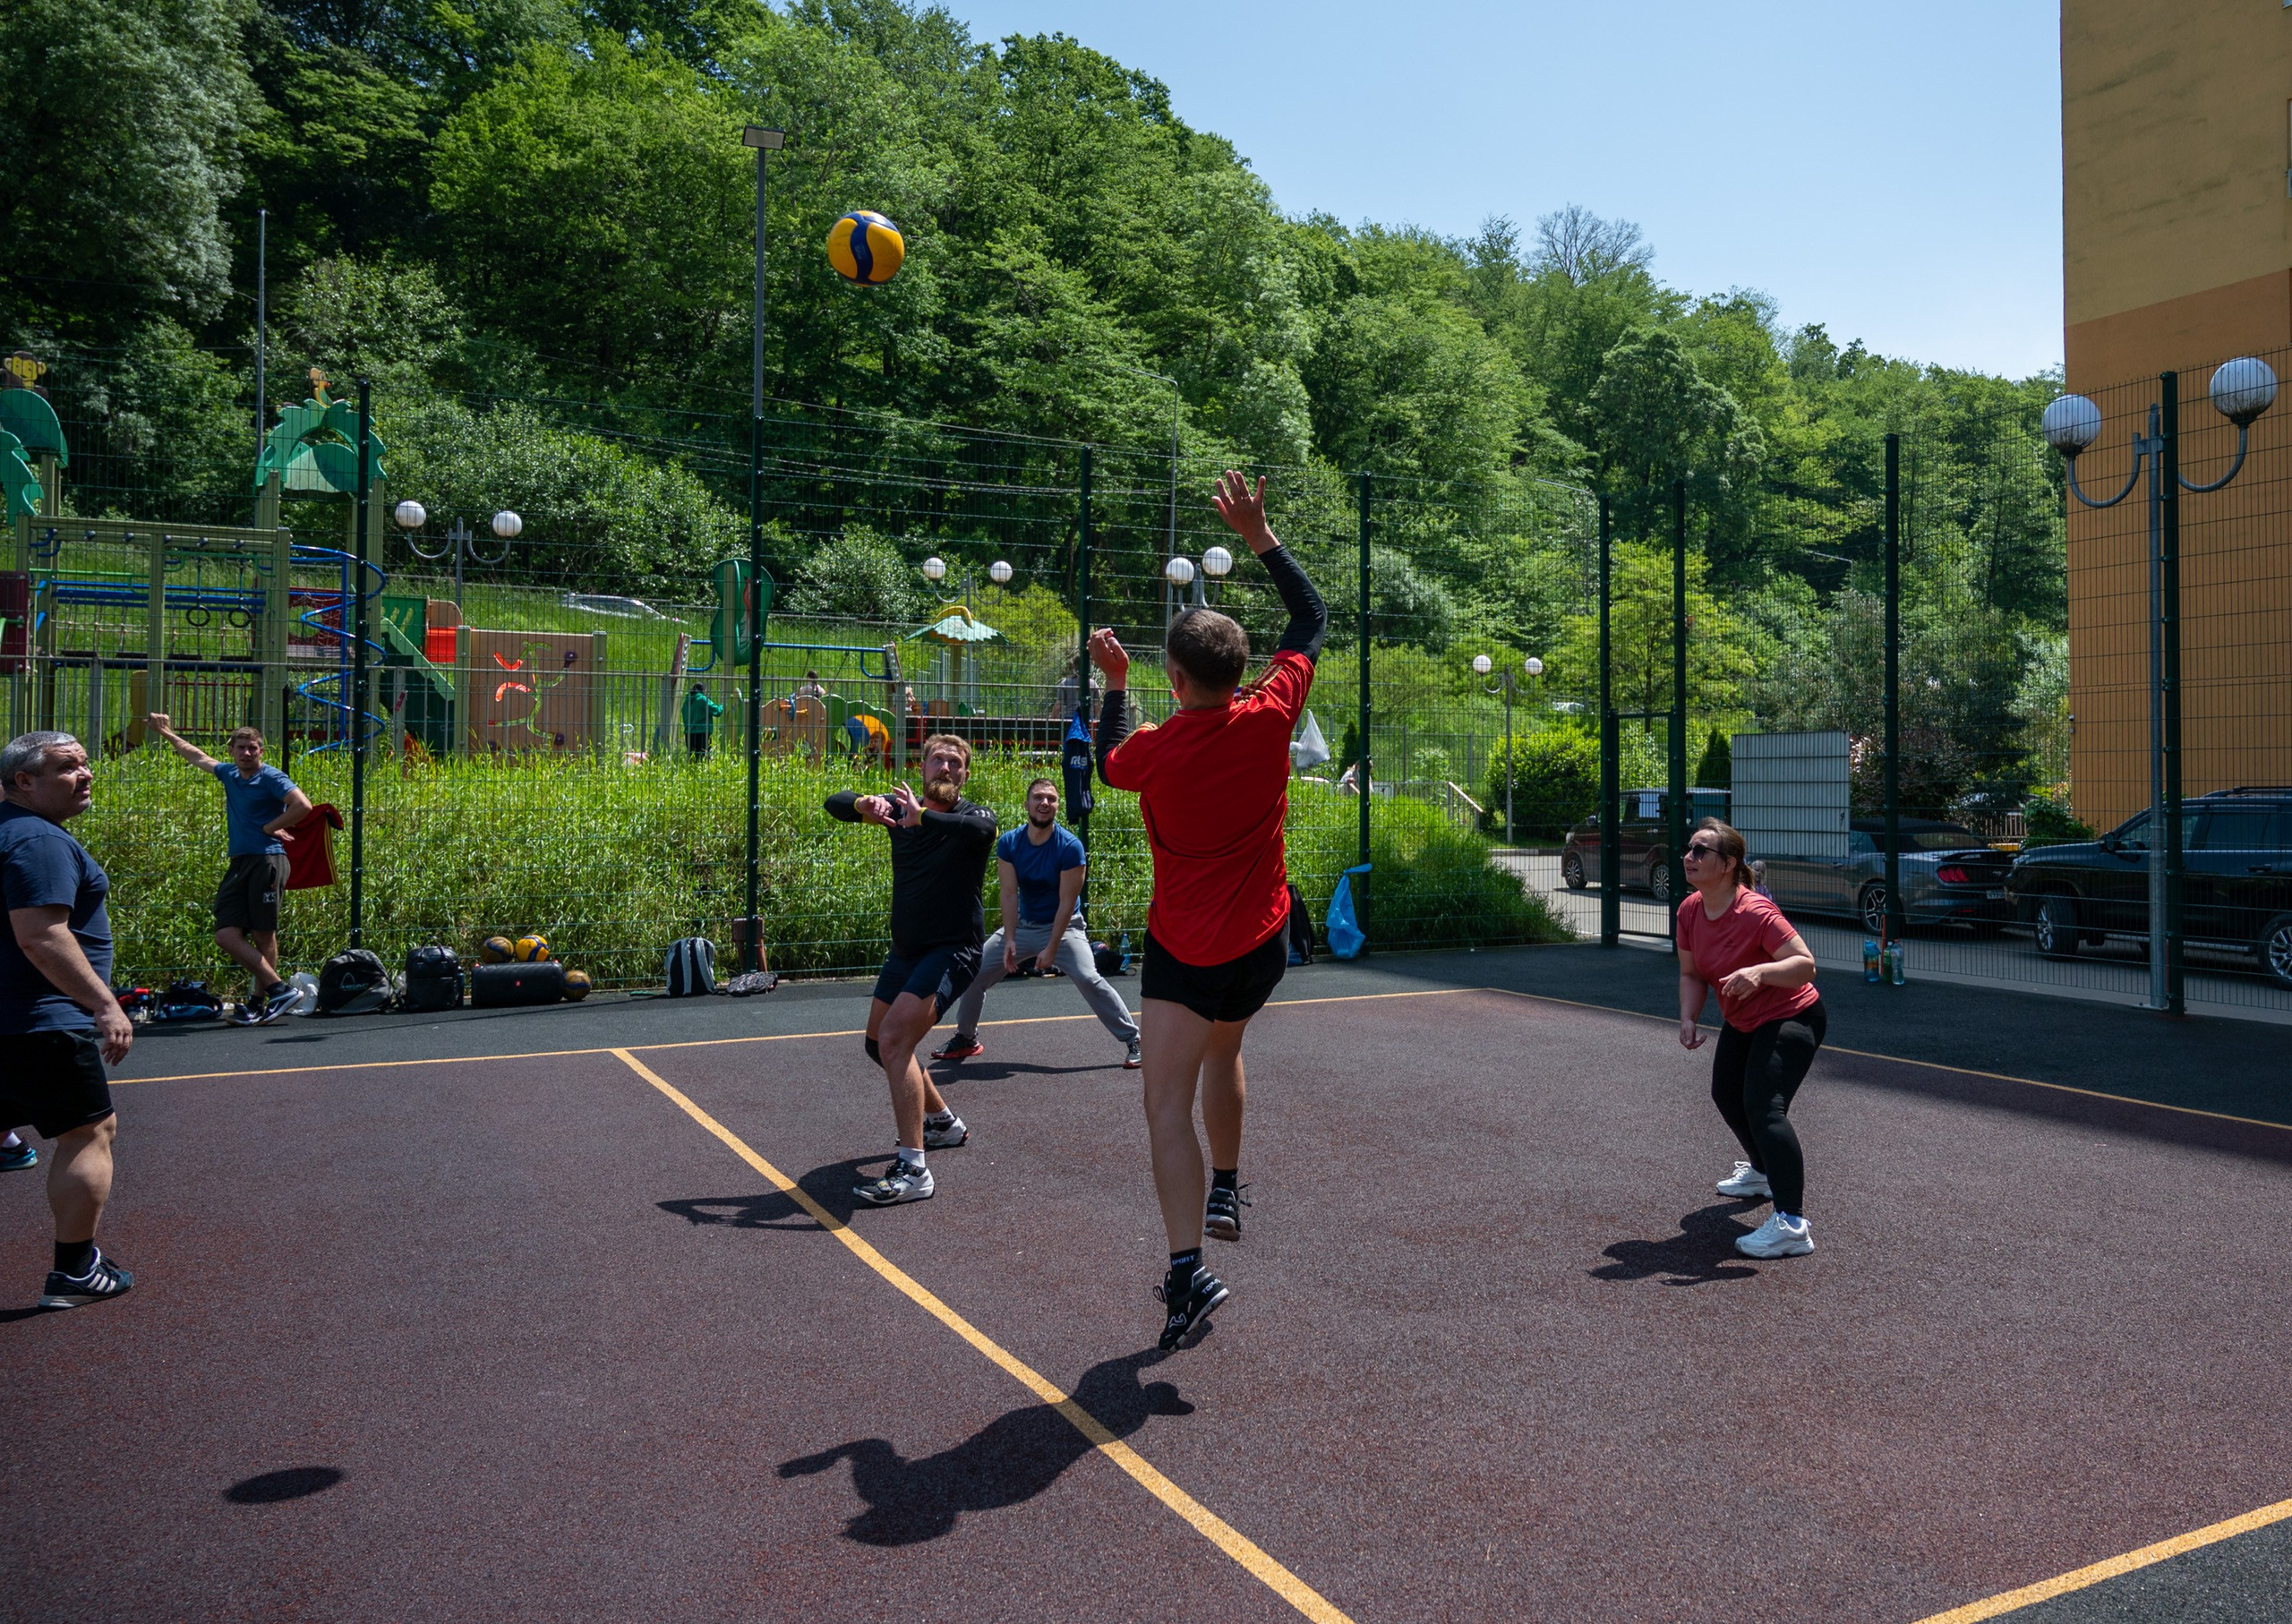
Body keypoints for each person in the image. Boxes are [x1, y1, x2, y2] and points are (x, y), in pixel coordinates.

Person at [1090, 468, 1325, 1353]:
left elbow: (1108, 761)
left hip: (1186, 950)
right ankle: (1228, 1183)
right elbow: (1309, 620)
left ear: (1171, 674)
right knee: (1228, 1047)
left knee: (1162, 1106)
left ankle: (1187, 1265)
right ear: (1239, 668)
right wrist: (1261, 536)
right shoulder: (1270, 714)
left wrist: (1113, 686)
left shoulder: (1150, 748)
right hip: (1262, 942)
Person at [825, 734, 997, 1206]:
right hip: (906, 952)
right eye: (937, 760)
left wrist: (924, 818)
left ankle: (913, 1169)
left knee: (897, 1041)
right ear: (921, 769)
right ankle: (942, 1123)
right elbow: (832, 803)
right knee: (876, 1045)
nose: (944, 767)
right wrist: (864, 802)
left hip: (954, 951)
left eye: (954, 763)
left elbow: (983, 835)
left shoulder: (972, 816)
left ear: (963, 775)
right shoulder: (898, 811)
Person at [1, 731, 134, 1309]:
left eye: (85, 765)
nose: (85, 775)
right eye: (66, 768)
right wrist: (104, 1003)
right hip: (39, 1020)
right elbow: (42, 936)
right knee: (87, 1132)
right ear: (23, 782)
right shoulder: (37, 840)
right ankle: (76, 1270)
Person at [1676, 816, 1826, 1260]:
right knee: (1726, 1094)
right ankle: (1762, 1171)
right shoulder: (1690, 910)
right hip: (1743, 1019)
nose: (1689, 857)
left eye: (1701, 851)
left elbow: (1805, 964)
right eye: (1689, 848)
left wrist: (1760, 972)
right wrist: (1688, 1017)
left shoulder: (1757, 912)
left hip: (1793, 1014)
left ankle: (1792, 1224)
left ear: (1728, 864)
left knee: (1764, 1106)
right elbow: (1690, 972)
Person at [934, 776, 1142, 1071]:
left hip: (1065, 927)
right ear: (1027, 804)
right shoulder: (1009, 843)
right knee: (974, 971)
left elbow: (1067, 902)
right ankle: (966, 1037)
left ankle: (1134, 1039)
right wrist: (1009, 939)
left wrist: (1052, 948)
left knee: (1088, 977)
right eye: (1039, 798)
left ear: (1057, 806)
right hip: (1024, 925)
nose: (1045, 803)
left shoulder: (1070, 847)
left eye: (1051, 799)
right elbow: (1008, 894)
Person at [144, 714, 312, 1025]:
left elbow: (303, 805)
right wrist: (166, 731)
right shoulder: (230, 775)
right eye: (241, 748)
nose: (247, 753)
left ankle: (256, 1004)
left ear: (261, 751)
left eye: (253, 748)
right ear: (232, 751)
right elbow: (197, 755)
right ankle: (279, 990)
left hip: (267, 860)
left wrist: (270, 826)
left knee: (263, 934)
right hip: (240, 862)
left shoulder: (272, 778)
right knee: (226, 934)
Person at [682, 681, 723, 757]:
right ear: (703, 691)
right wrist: (723, 705)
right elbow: (717, 711)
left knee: (692, 759)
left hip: (688, 734)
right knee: (704, 758)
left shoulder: (686, 701)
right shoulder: (702, 699)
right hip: (702, 733)